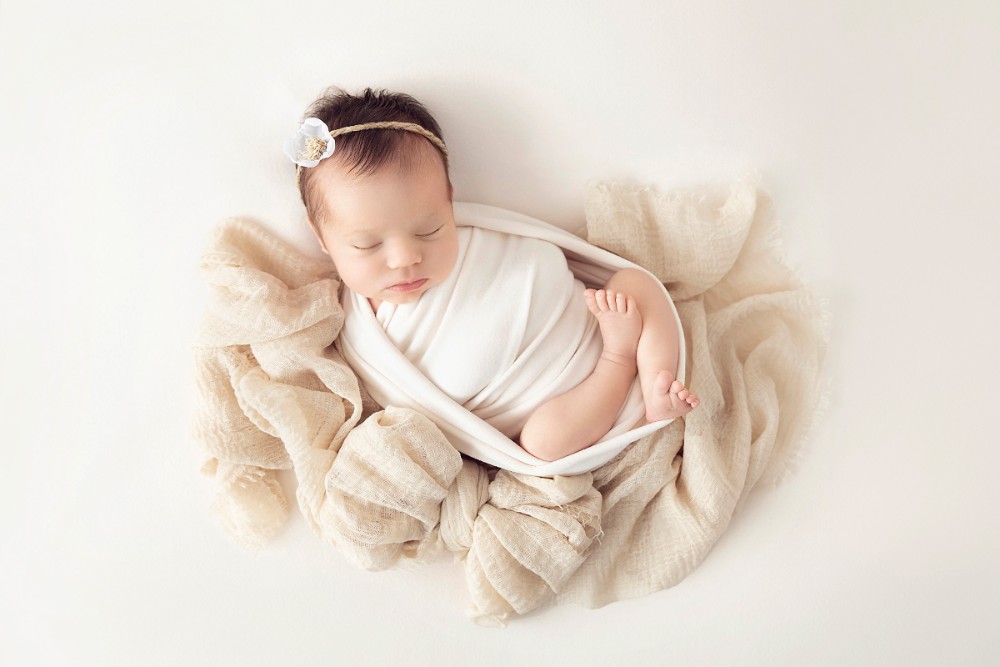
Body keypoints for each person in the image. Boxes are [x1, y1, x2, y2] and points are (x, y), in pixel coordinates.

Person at [285, 87, 699, 463]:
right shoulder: (365, 338)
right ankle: (620, 361)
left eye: (430, 230)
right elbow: (429, 420)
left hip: (602, 319)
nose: (405, 258)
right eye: (367, 246)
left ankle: (657, 383)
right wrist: (615, 352)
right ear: (321, 236)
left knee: (634, 282)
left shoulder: (481, 234)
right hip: (573, 409)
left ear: (451, 202)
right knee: (544, 441)